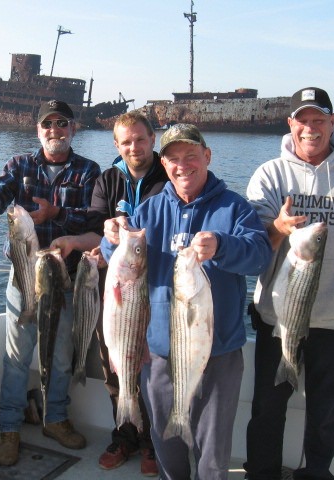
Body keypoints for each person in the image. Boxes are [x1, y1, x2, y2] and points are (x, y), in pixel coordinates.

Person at [100, 124, 272, 479]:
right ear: (164, 164)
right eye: (174, 158)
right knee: (167, 451)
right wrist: (110, 236)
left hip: (218, 353)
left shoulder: (234, 207)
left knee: (212, 453)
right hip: (158, 354)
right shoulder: (149, 211)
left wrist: (223, 246)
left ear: (207, 156)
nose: (183, 166)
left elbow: (259, 256)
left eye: (191, 156)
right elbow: (118, 253)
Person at [244, 87, 334, 480]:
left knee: (326, 413)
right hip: (278, 318)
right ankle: (262, 473)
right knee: (267, 409)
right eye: (303, 121)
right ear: (291, 124)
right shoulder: (269, 175)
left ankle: (315, 475)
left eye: (319, 121)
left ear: (332, 123)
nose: (311, 129)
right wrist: (276, 227)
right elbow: (253, 240)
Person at [51, 111, 167, 476]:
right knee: (114, 365)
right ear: (116, 145)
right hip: (117, 295)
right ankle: (124, 435)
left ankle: (153, 442)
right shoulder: (108, 179)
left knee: (152, 371)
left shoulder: (168, 177)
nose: (134, 146)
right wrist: (105, 234)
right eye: (126, 141)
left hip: (155, 292)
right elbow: (96, 229)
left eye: (141, 139)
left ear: (153, 139)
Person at [0, 100, 101, 467]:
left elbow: (93, 221)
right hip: (23, 274)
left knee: (61, 356)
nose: (54, 130)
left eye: (62, 124)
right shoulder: (18, 165)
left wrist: (56, 214)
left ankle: (55, 418)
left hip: (66, 276)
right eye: (47, 125)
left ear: (74, 129)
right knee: (17, 356)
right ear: (38, 130)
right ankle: (8, 427)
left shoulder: (89, 171)